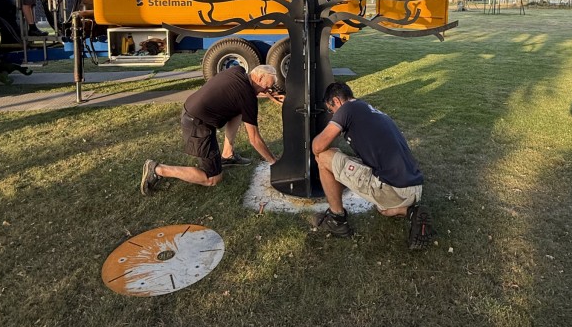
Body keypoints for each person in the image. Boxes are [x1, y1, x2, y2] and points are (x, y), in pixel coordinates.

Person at [310, 82, 434, 249]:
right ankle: (412, 212)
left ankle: (336, 219)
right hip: (414, 188)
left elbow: (317, 147)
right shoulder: (369, 109)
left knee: (324, 157)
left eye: (331, 110)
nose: (332, 114)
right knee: (383, 209)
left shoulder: (346, 109)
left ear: (337, 101)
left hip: (392, 188)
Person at [140, 64, 283, 194]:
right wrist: (274, 163)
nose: (267, 90)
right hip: (197, 123)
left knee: (238, 111)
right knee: (213, 178)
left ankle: (228, 155)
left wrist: (269, 94)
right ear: (258, 78)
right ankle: (157, 169)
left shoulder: (238, 71)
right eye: (267, 87)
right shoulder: (247, 97)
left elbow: (249, 90)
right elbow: (254, 139)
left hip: (193, 109)